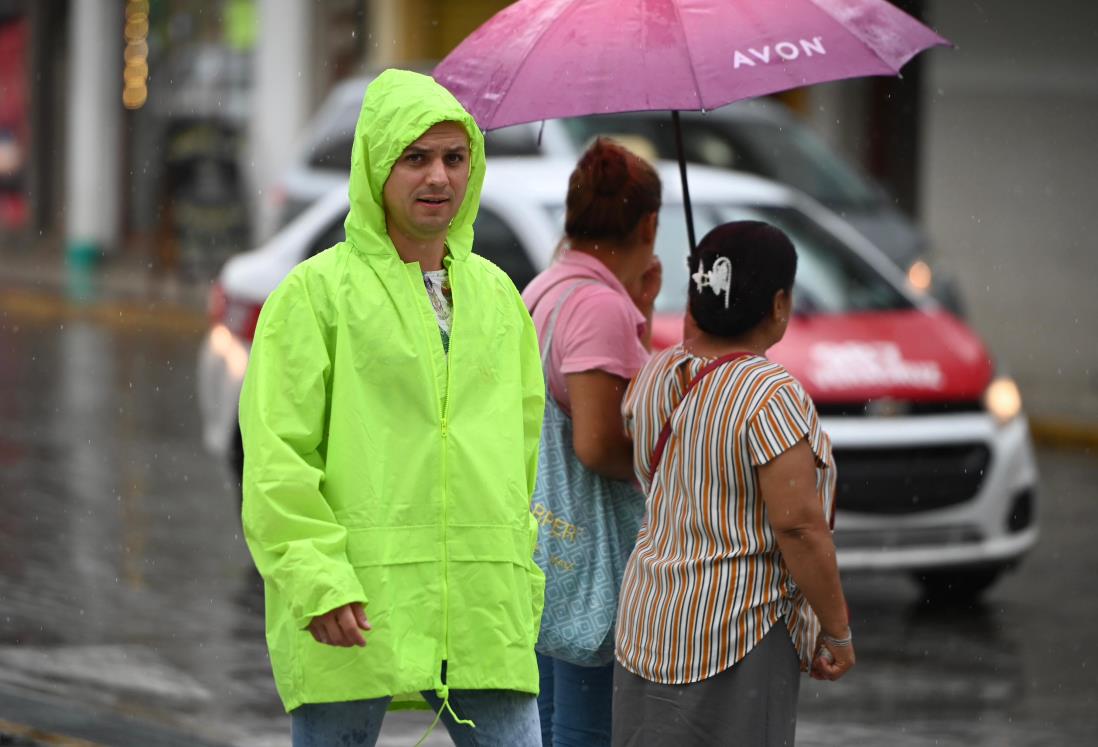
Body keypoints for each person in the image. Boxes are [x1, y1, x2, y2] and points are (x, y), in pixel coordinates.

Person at [238, 69, 546, 747]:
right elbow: (276, 461)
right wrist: (317, 581)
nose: (438, 176)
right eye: (415, 157)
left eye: (454, 158)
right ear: (376, 164)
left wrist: (519, 571)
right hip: (352, 609)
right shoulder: (314, 297)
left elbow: (524, 456)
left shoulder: (498, 298)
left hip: (481, 607)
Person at [612, 221, 854, 746]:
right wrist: (836, 629)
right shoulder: (769, 394)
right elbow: (800, 529)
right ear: (778, 305)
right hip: (737, 631)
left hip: (648, 618)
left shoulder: (655, 374)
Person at [522, 138, 662, 747]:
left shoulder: (546, 288)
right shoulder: (597, 307)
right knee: (586, 726)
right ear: (650, 224)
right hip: (595, 549)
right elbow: (599, 442)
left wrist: (641, 310)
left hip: (551, 539)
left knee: (548, 716)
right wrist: (669, 468)